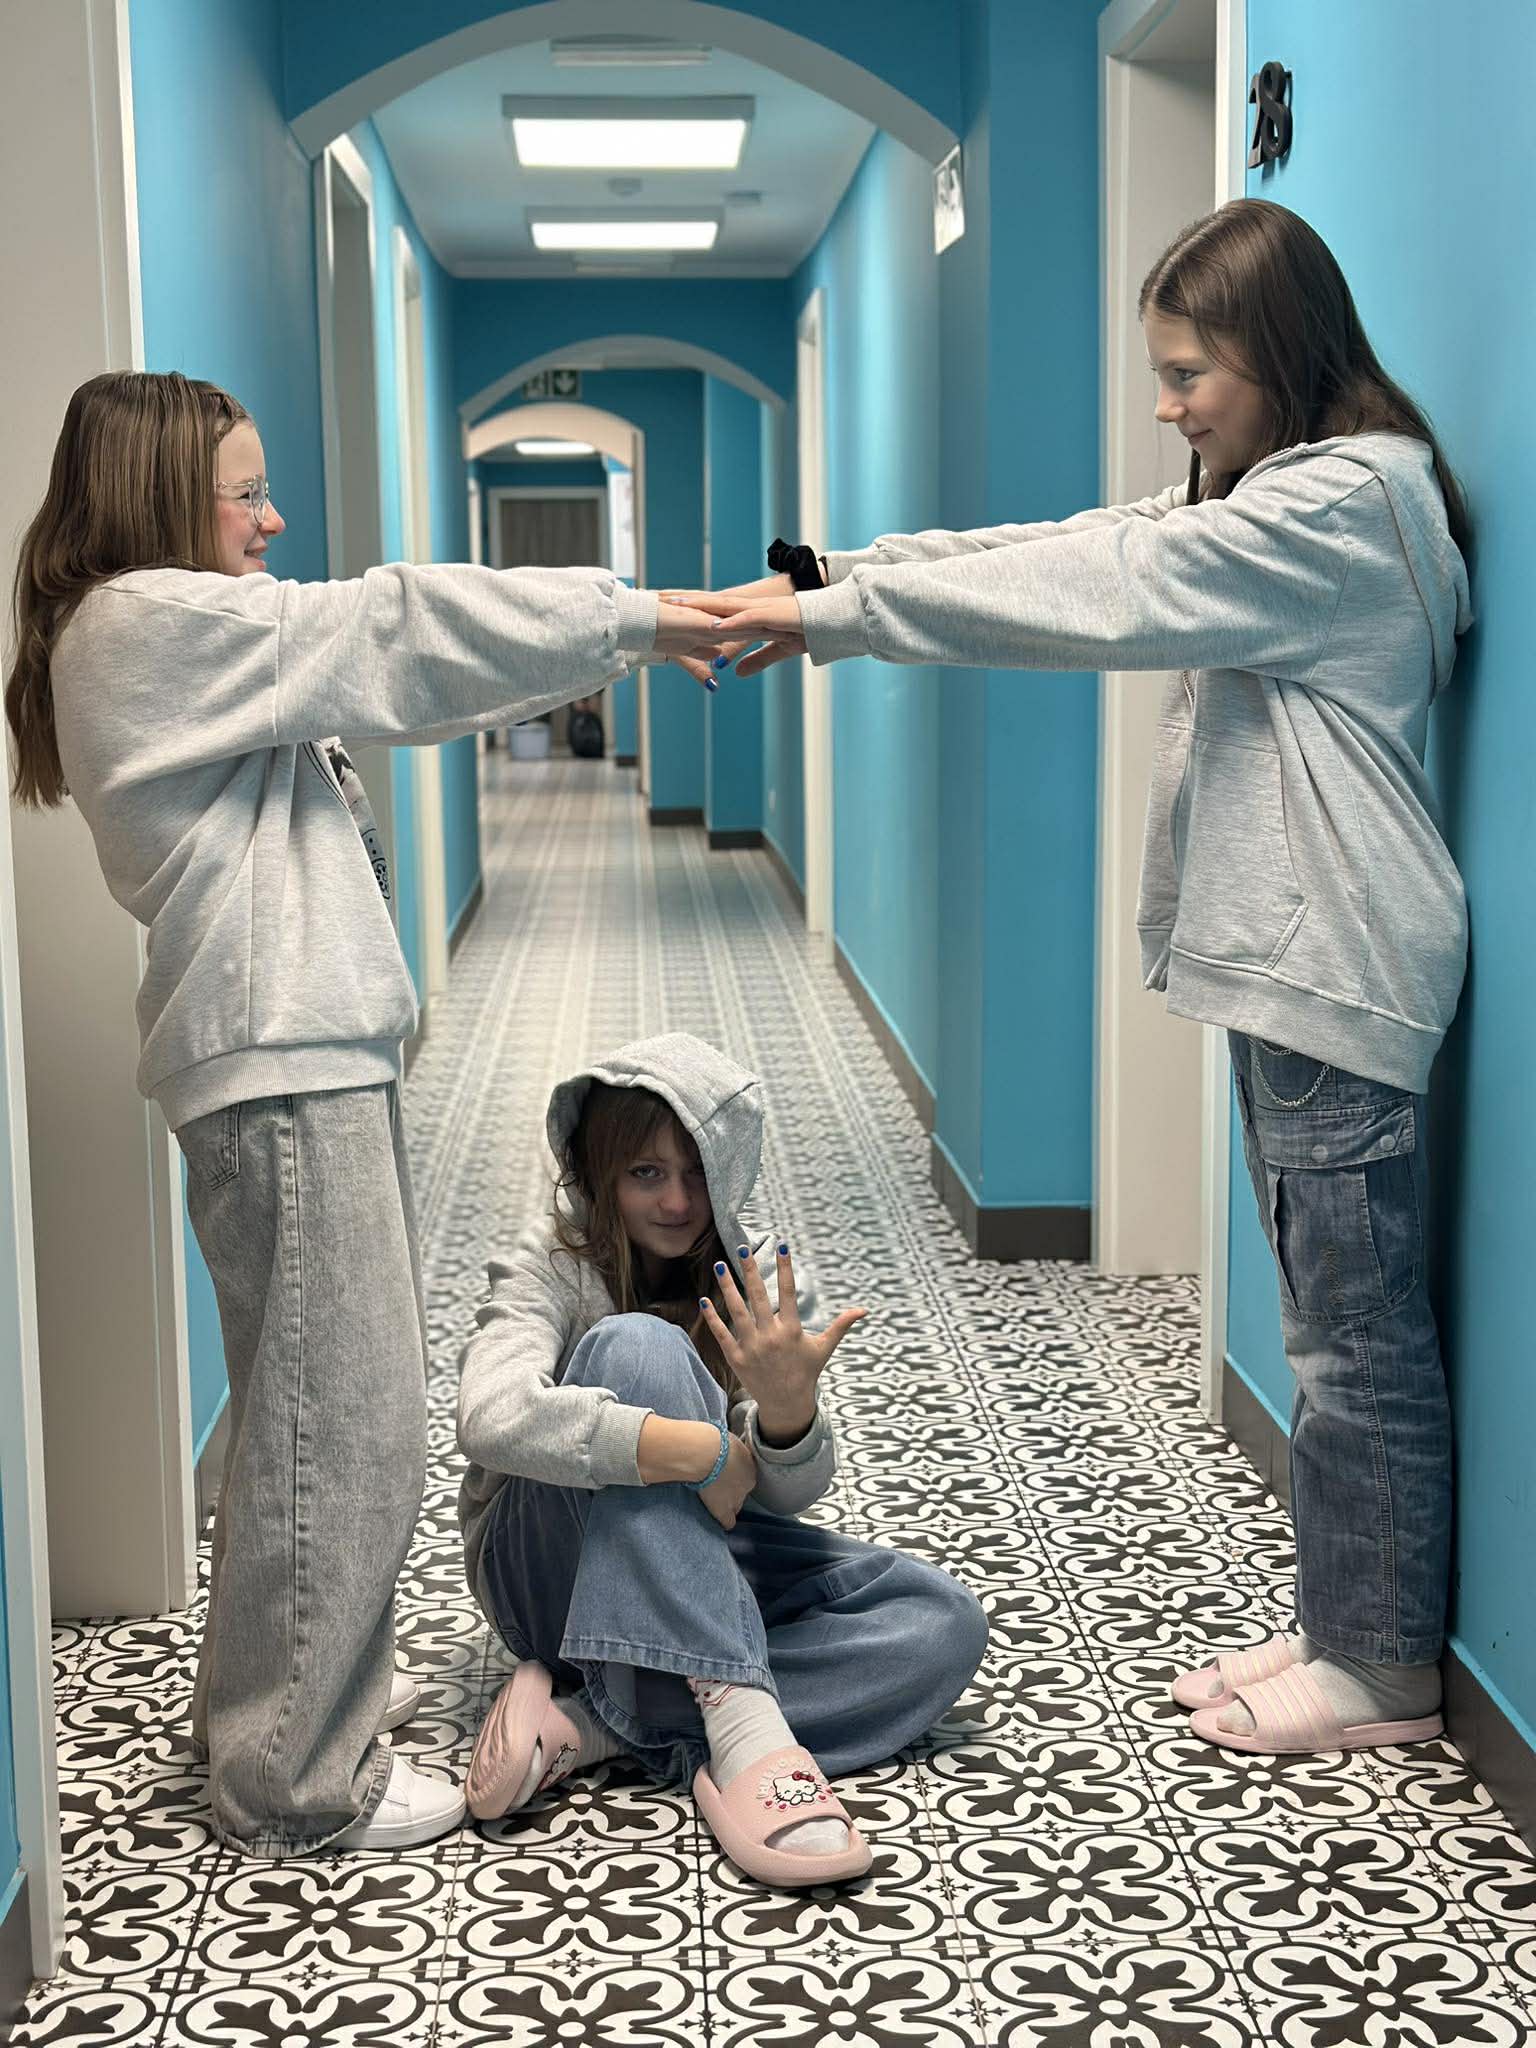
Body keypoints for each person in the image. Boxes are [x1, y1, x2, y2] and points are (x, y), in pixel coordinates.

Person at [678, 198, 1471, 1761]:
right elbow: (1087, 542)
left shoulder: (1337, 506)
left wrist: (841, 617)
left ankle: (1382, 1667)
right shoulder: (1289, 493)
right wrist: (837, 576)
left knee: (1351, 1341)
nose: (1169, 407)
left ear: (1283, 353)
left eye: (1190, 375)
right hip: (1301, 969)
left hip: (1336, 960)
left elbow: (1102, 596)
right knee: (1325, 1322)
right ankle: (1347, 1623)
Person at [3, 370, 722, 1858]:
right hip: (280, 1068)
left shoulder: (187, 639)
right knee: (341, 1427)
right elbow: (392, 628)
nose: (271, 520)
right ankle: (295, 1778)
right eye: (244, 493)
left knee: (305, 1412)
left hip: (295, 1060)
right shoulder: (142, 624)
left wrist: (613, 644)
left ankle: (278, 1708)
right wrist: (641, 619)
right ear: (158, 498)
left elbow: (413, 678)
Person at [457, 1032, 989, 1886]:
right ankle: (742, 1724)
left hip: (698, 1564)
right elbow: (488, 1417)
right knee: (638, 1345)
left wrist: (786, 1416)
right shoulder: (551, 1261)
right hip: (548, 1580)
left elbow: (783, 1497)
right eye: (646, 1173)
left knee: (941, 1623)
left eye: (698, 1172)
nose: (677, 1201)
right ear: (601, 1173)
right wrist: (694, 1450)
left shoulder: (756, 1274)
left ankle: (592, 1722)